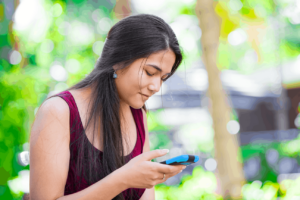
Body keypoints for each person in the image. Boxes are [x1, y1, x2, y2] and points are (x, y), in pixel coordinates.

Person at [29, 14, 185, 200]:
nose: (156, 87)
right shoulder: (58, 112)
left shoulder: (137, 114)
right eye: (150, 72)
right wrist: (123, 179)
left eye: (162, 78)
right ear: (119, 59)